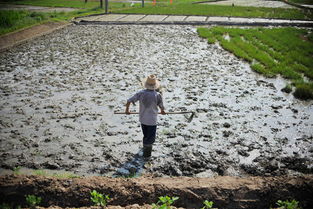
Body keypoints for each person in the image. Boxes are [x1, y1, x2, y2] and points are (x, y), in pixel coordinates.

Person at [125, 74, 166, 158]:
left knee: (146, 135)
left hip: (143, 119)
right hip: (152, 121)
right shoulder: (157, 95)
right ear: (155, 85)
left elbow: (129, 100)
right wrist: (162, 111)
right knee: (150, 139)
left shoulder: (141, 93)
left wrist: (127, 110)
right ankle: (147, 155)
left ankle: (145, 148)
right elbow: (161, 106)